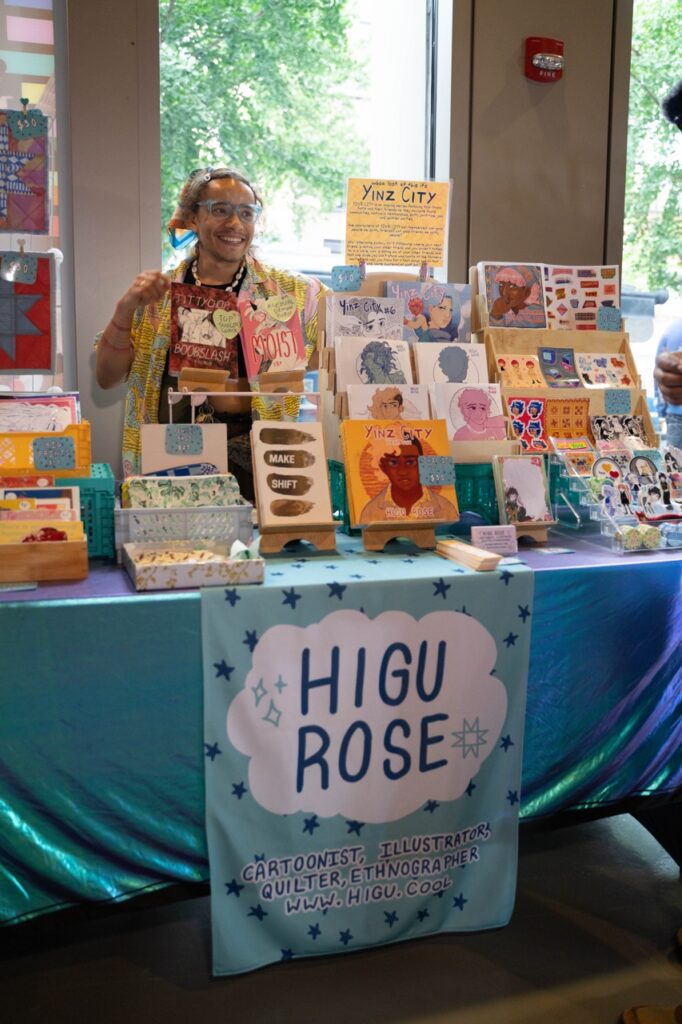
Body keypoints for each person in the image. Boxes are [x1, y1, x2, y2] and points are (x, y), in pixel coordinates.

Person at [95, 166, 326, 499]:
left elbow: (344, 339)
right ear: (193, 218)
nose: (234, 224)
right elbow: (106, 377)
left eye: (246, 213)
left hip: (263, 466)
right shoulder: (159, 295)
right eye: (220, 210)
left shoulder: (288, 293)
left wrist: (291, 362)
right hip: (173, 464)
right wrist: (124, 308)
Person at [358, 434, 458, 524]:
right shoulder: (371, 512)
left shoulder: (446, 509)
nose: (403, 471)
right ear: (383, 467)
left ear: (422, 463)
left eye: (410, 462)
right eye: (393, 463)